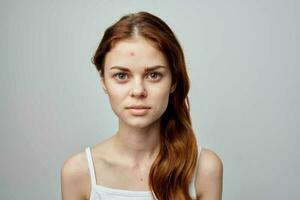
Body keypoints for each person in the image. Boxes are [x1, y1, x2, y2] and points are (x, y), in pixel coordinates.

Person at [61, 11, 223, 200]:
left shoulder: (205, 169)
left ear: (173, 81)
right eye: (121, 76)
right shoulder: (78, 173)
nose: (138, 91)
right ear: (104, 82)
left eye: (153, 75)